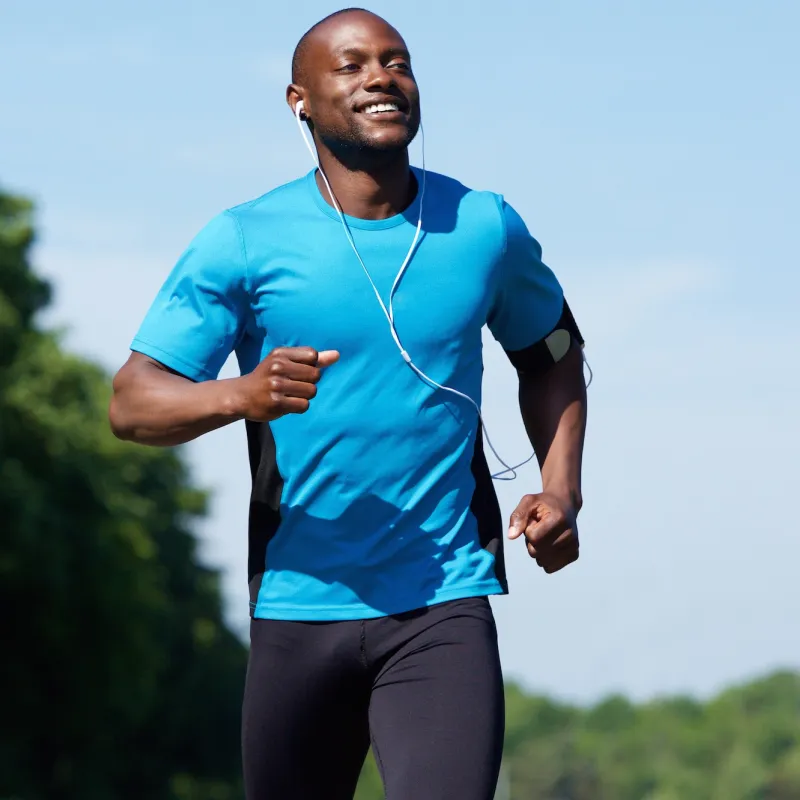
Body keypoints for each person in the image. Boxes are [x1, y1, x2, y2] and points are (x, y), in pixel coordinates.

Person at [109, 7, 588, 799]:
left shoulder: (482, 227)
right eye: (353, 64)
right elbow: (133, 403)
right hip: (298, 605)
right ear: (300, 99)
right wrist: (243, 393)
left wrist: (561, 486)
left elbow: (554, 360)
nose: (380, 78)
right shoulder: (245, 238)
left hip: (442, 600)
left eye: (396, 62)